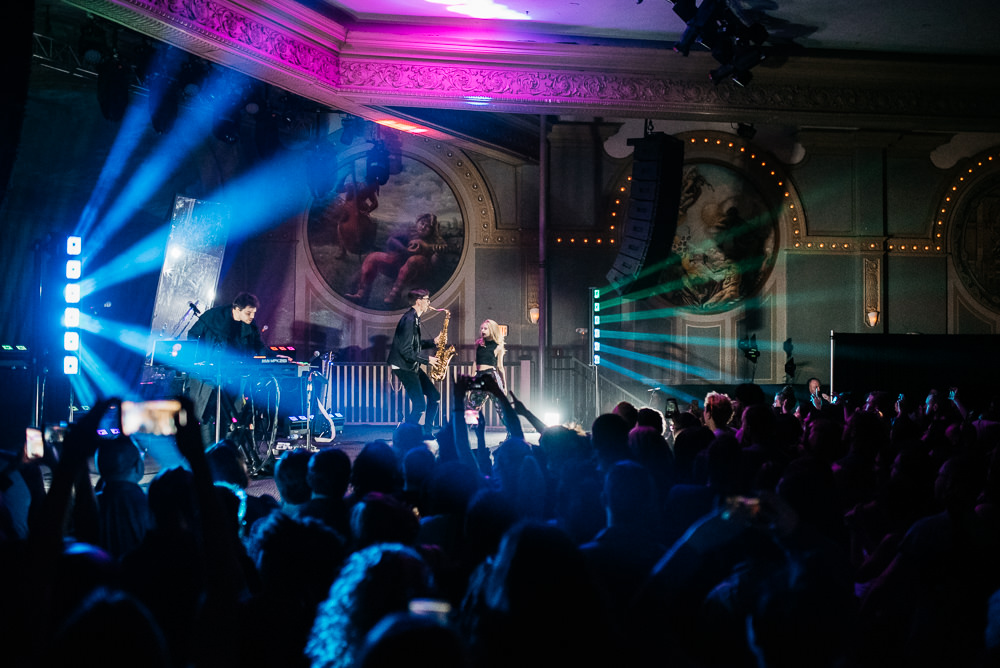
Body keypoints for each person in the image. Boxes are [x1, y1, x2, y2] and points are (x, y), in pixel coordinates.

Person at [346, 214, 447, 306]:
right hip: (397, 266)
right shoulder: (409, 233)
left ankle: (395, 296)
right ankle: (361, 295)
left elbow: (434, 266)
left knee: (414, 260)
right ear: (417, 223)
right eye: (422, 223)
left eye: (428, 226)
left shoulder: (435, 242)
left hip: (416, 275)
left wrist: (437, 254)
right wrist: (405, 250)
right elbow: (391, 240)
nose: (423, 227)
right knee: (373, 257)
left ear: (432, 230)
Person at [387, 289, 441, 439]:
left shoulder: (414, 319)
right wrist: (428, 360)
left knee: (434, 397)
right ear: (419, 301)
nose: (429, 303)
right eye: (427, 300)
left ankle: (427, 432)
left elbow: (413, 346)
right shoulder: (409, 320)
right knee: (419, 405)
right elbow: (406, 351)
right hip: (404, 366)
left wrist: (432, 342)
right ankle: (403, 436)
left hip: (411, 365)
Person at [186, 292, 265, 360]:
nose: (252, 316)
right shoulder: (212, 316)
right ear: (237, 309)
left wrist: (274, 357)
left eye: (254, 313)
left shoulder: (250, 324)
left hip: (239, 369)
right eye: (248, 313)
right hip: (213, 367)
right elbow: (193, 334)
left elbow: (259, 345)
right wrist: (202, 357)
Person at [465, 319, 507, 427]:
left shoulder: (498, 346)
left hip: (491, 376)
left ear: (492, 330)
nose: (482, 330)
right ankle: (464, 434)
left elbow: (500, 367)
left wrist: (504, 386)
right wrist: (471, 380)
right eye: (482, 328)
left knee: (500, 407)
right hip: (479, 376)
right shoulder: (478, 344)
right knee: (472, 406)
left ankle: (512, 433)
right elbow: (475, 362)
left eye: (485, 328)